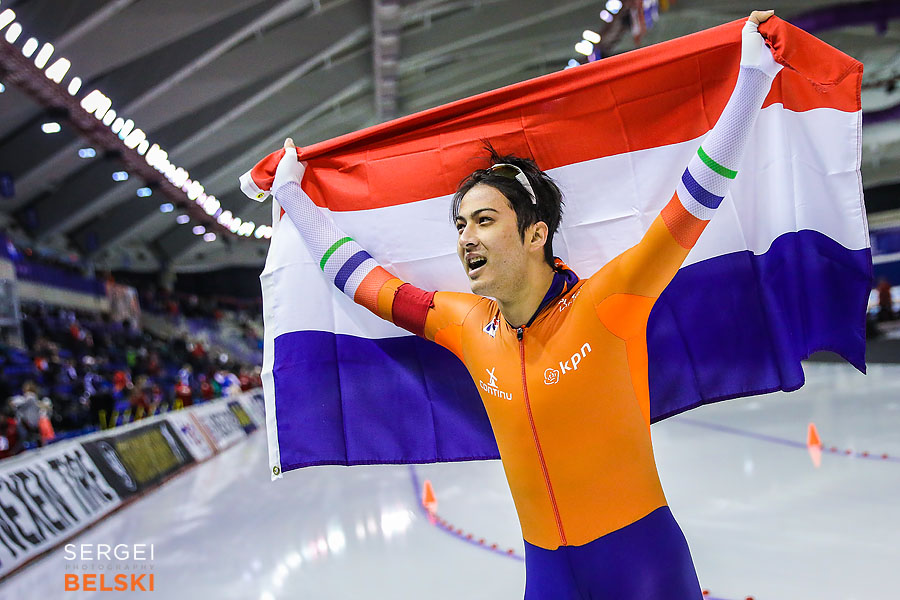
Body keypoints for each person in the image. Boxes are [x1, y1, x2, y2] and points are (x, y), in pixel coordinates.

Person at [251, 10, 781, 599]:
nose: (466, 238)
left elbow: (695, 201)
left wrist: (753, 78)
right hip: (548, 574)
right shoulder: (465, 324)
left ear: (535, 234)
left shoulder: (606, 302)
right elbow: (363, 282)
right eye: (460, 225)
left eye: (484, 220)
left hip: (642, 566)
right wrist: (294, 195)